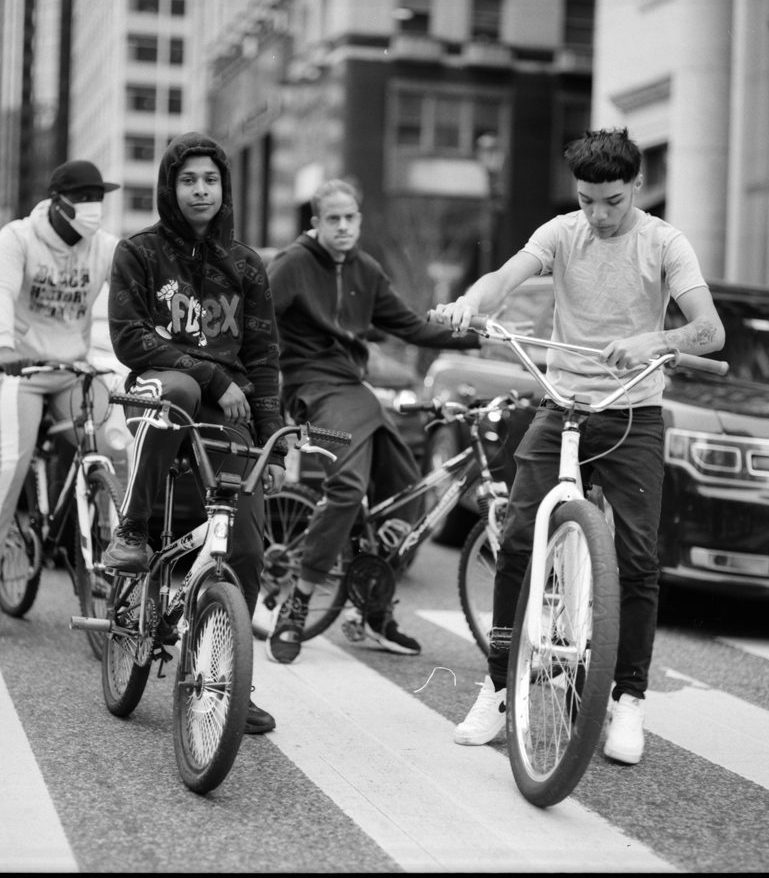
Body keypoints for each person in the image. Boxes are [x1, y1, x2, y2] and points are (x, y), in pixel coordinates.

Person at [433, 128, 725, 765]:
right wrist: (467, 303)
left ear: (637, 188)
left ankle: (630, 700)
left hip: (633, 414)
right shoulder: (562, 233)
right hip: (563, 403)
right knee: (517, 538)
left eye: (612, 201)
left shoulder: (665, 243)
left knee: (641, 556)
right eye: (588, 200)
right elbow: (503, 279)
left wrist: (657, 343)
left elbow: (709, 329)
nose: (599, 214)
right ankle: (499, 686)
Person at [102, 131, 285, 735]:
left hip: (228, 417)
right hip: (160, 397)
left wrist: (271, 440)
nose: (200, 190)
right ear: (169, 187)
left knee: (250, 549)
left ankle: (227, 676)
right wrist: (209, 374)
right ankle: (134, 528)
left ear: (223, 187)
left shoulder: (245, 265)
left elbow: (262, 359)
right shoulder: (139, 252)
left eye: (210, 180)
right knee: (180, 390)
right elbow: (130, 338)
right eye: (188, 180)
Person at [264, 178, 481, 664]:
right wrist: (265, 399)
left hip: (354, 390)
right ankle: (295, 607)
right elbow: (260, 332)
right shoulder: (292, 265)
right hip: (311, 391)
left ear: (359, 220)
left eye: (351, 218)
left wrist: (478, 338)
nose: (343, 226)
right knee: (347, 487)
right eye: (333, 219)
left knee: (406, 493)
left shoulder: (366, 268)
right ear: (316, 223)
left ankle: (373, 611)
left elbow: (410, 325)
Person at [0, 159, 126, 637]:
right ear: (57, 203)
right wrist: (3, 345)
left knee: (112, 446)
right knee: (7, 464)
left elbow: (128, 303)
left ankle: (107, 557)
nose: (93, 209)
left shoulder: (106, 249)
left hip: (72, 366)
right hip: (15, 364)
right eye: (83, 199)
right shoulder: (17, 239)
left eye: (99, 198)